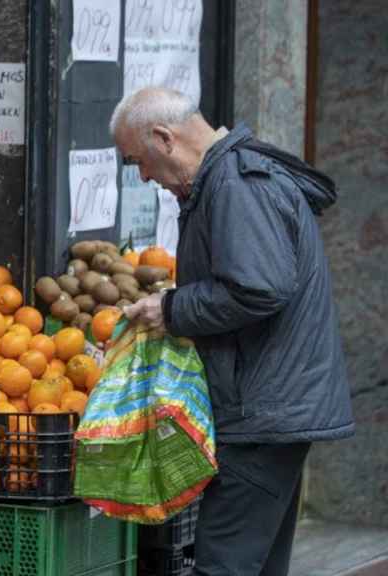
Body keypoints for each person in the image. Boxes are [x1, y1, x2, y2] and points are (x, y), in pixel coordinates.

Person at [112, 87, 354, 576]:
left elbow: (257, 289)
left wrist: (173, 310)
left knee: (223, 566)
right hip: (271, 406)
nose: (143, 176)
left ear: (165, 138)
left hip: (262, 411)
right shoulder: (228, 179)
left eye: (139, 161)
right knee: (256, 565)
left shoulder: (238, 184)